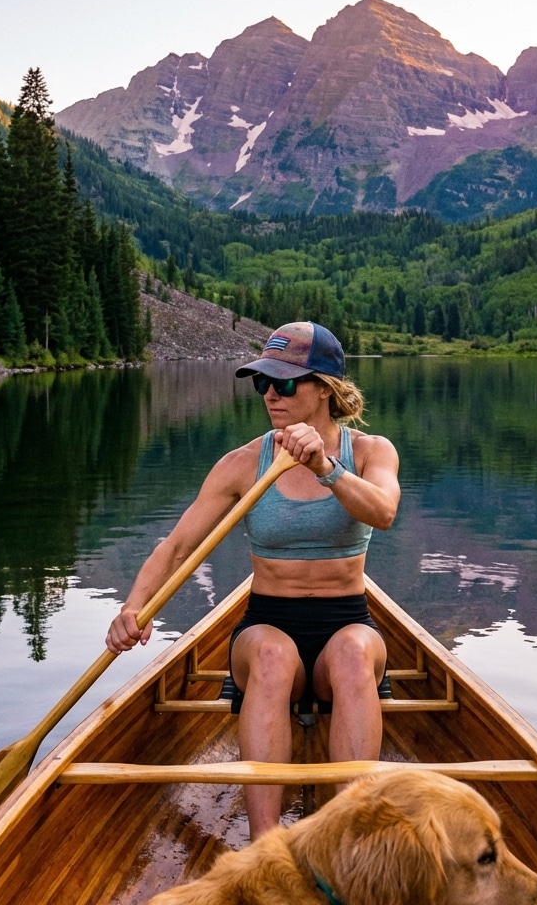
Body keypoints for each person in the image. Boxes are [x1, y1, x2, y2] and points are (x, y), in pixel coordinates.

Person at [105, 321, 401, 838]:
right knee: (269, 656)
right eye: (262, 381)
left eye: (285, 383)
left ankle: (351, 834)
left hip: (347, 622)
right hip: (267, 623)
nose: (270, 393)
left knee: (355, 655)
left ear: (325, 388)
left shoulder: (373, 451)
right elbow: (176, 546)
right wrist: (132, 607)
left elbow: (382, 512)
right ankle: (266, 846)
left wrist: (326, 468)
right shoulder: (243, 464)